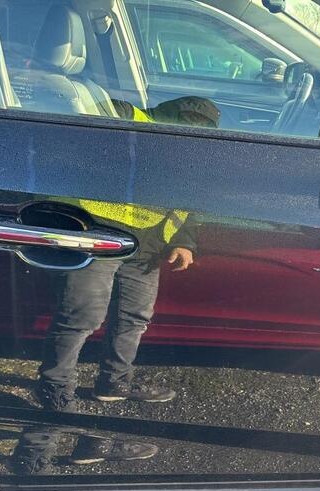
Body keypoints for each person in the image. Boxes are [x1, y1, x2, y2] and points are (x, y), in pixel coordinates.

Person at [36, 96, 219, 412]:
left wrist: (185, 242)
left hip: (147, 248)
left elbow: (187, 204)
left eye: (203, 127)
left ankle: (115, 382)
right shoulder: (127, 116)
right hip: (96, 235)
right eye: (192, 122)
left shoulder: (195, 152)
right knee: (81, 317)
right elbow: (77, 111)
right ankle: (54, 387)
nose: (195, 128)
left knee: (133, 317)